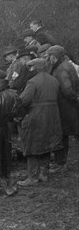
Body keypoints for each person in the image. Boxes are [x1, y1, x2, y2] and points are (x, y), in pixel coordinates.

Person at [17, 58, 63, 186]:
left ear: (35, 68)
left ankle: (32, 177)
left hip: (36, 115)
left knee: (32, 144)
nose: (29, 70)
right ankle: (44, 174)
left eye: (30, 67)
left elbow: (23, 100)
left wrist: (18, 113)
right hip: (53, 115)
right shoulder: (53, 79)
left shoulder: (32, 82)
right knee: (47, 143)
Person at [45, 45, 79, 173]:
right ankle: (61, 162)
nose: (48, 59)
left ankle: (61, 163)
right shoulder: (65, 64)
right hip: (69, 105)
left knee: (61, 134)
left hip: (64, 107)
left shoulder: (60, 69)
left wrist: (73, 99)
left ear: (54, 57)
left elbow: (67, 89)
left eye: (49, 56)